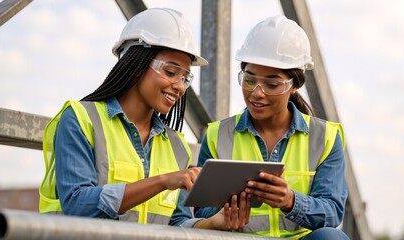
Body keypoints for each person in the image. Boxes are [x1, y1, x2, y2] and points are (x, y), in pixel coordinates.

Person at [39, 8, 248, 229]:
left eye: (185, 78)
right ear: (135, 64)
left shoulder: (176, 145)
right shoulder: (81, 120)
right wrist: (163, 181)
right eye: (170, 72)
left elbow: (177, 222)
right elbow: (77, 204)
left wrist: (214, 223)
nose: (179, 86)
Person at [193, 15, 350, 239]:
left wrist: (291, 201)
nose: (257, 92)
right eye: (249, 80)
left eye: (272, 84)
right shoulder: (218, 136)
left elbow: (332, 212)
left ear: (294, 85)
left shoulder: (324, 138)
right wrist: (226, 213)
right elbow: (203, 210)